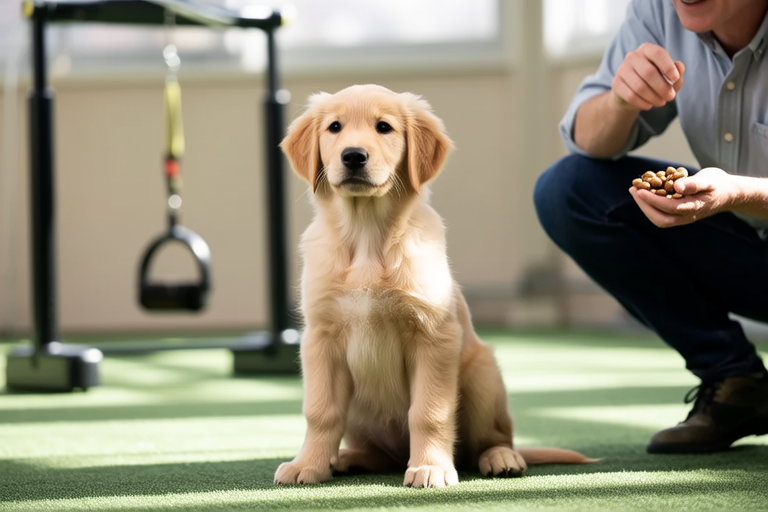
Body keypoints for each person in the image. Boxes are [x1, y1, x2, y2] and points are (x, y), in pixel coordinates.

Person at [534, 0, 768, 454]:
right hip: (747, 250)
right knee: (569, 190)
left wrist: (737, 193)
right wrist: (620, 101)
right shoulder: (660, 9)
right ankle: (735, 382)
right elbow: (586, 139)